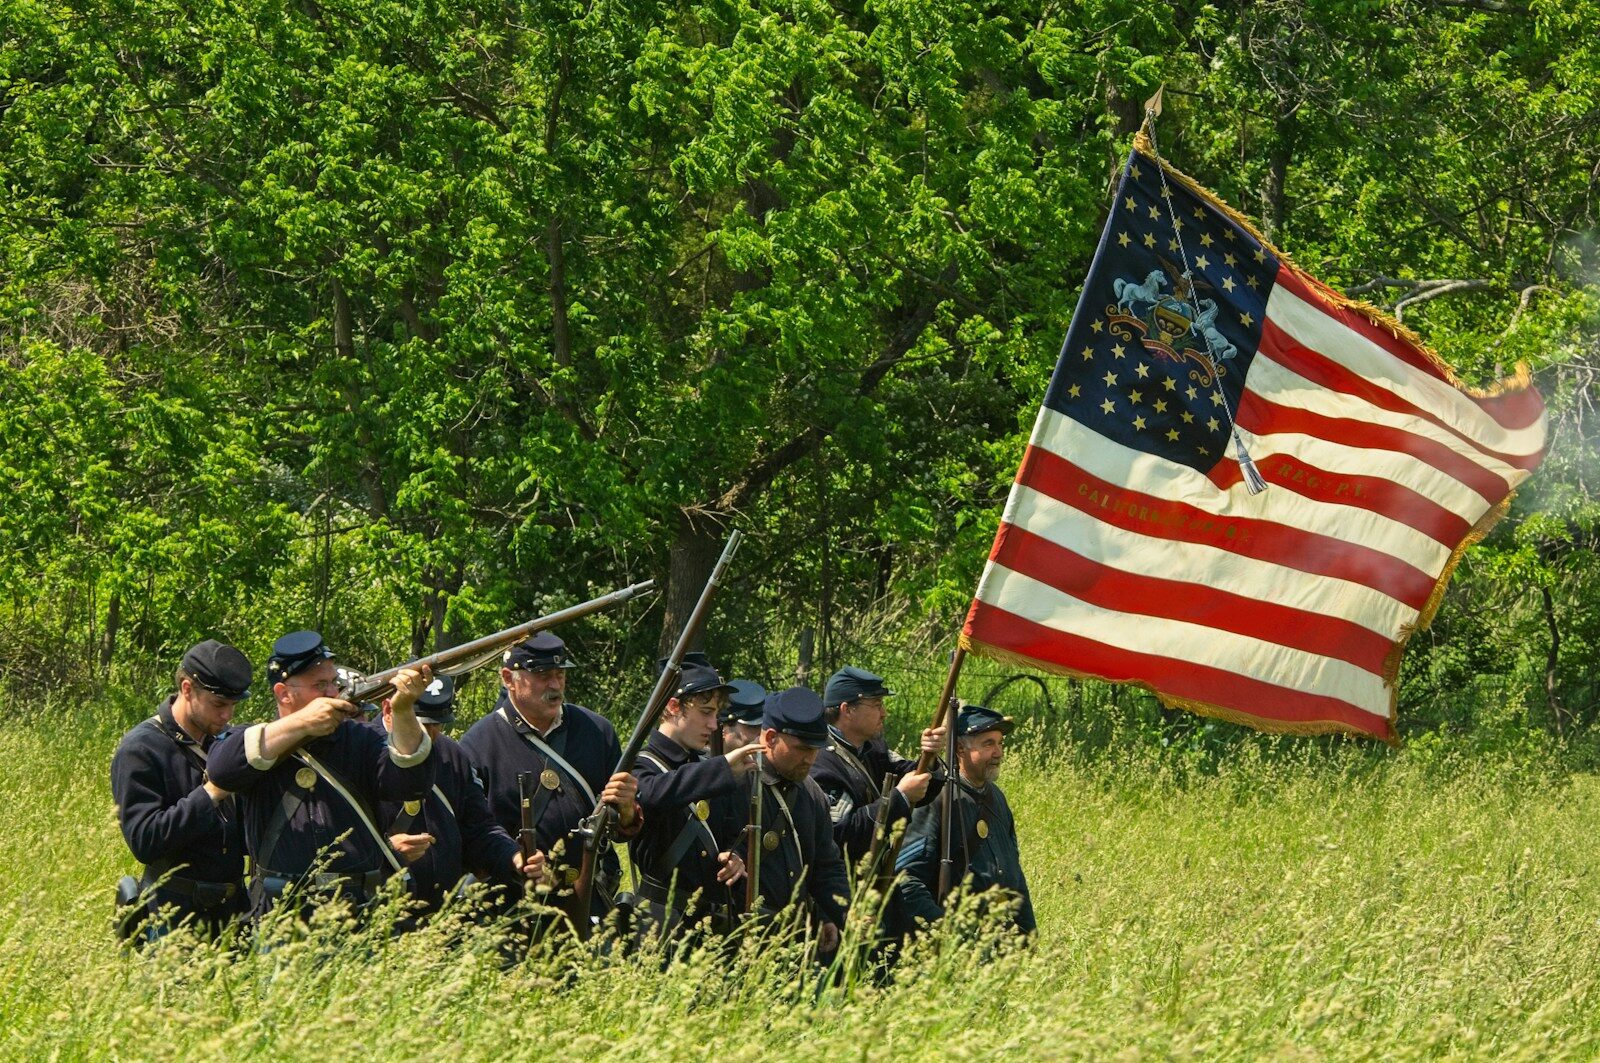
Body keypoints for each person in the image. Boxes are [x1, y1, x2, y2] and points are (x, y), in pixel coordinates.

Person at [207, 631, 435, 916]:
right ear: (284, 693)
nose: (331, 692)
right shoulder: (254, 741)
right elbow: (221, 771)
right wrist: (302, 724)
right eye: (320, 684)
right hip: (284, 911)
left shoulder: (361, 739)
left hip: (359, 907)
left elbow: (411, 786)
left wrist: (403, 712)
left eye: (333, 683)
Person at [457, 632, 641, 927]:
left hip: (592, 896)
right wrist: (516, 860)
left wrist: (628, 809)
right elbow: (474, 833)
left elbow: (619, 828)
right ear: (509, 678)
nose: (555, 685)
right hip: (512, 907)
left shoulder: (598, 731)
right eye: (542, 675)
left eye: (559, 674)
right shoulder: (477, 745)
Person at [111, 640, 252, 940]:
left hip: (234, 913)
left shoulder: (224, 742)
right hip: (174, 918)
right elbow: (145, 840)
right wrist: (212, 792)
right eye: (219, 704)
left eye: (232, 705)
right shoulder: (142, 748)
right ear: (187, 689)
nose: (227, 715)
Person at [373, 675, 546, 920]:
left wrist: (514, 856)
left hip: (444, 915)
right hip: (379, 914)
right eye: (420, 724)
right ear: (390, 710)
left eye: (437, 725)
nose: (431, 735)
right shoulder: (363, 749)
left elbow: (479, 827)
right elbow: (338, 839)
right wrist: (387, 851)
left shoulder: (452, 754)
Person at [629, 658, 757, 940]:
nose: (714, 725)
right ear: (674, 707)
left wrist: (736, 857)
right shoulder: (643, 764)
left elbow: (735, 833)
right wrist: (720, 769)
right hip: (659, 923)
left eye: (717, 714)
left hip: (709, 924)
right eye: (706, 712)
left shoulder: (709, 770)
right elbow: (651, 794)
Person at [893, 705, 1035, 937]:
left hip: (999, 938)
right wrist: (944, 931)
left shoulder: (997, 797)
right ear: (960, 748)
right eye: (988, 744)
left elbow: (1014, 873)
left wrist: (1028, 933)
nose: (998, 752)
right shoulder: (937, 798)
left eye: (1000, 743)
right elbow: (907, 879)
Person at [743, 686, 850, 954]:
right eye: (802, 748)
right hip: (740, 934)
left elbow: (825, 867)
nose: (811, 759)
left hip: (793, 939)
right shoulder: (736, 782)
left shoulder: (812, 794)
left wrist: (839, 912)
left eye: (816, 749)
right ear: (770, 738)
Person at [810, 666, 942, 871]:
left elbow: (913, 778)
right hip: (845, 883)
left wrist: (929, 756)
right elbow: (840, 834)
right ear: (847, 710)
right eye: (876, 705)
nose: (884, 713)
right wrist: (900, 797)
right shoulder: (822, 763)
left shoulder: (873, 748)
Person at [719, 680, 765, 753]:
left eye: (762, 726)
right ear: (723, 729)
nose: (761, 733)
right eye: (752, 727)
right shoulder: (698, 763)